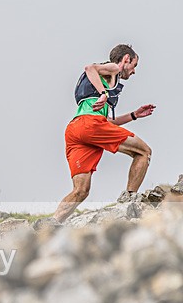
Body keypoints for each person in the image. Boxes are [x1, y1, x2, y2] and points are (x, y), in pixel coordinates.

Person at [51, 44, 155, 223]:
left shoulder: (103, 81)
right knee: (144, 152)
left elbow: (107, 123)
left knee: (80, 190)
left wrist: (134, 115)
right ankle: (129, 201)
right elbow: (89, 68)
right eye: (134, 65)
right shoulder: (114, 69)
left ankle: (51, 223)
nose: (134, 71)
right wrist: (104, 93)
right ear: (126, 59)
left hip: (76, 129)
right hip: (90, 125)